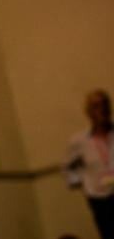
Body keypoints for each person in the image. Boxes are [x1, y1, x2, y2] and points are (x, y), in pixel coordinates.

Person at [64, 89, 114, 239]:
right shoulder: (79, 141)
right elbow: (70, 171)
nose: (102, 109)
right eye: (96, 106)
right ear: (89, 112)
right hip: (101, 201)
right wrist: (87, 188)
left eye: (104, 104)